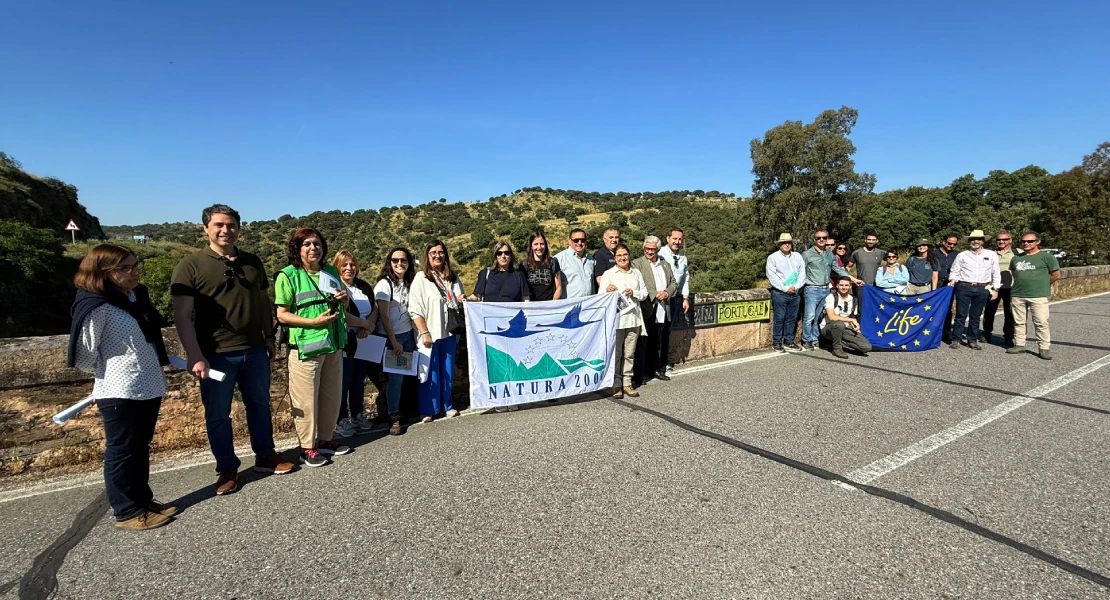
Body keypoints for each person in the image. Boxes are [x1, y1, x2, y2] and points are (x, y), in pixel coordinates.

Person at [171, 204, 293, 496]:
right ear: (206, 228)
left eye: (231, 225)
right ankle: (226, 468)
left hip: (253, 350)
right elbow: (182, 315)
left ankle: (266, 455)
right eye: (219, 225)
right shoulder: (190, 266)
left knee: (260, 405)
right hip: (215, 355)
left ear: (239, 227)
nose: (226, 230)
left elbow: (263, 302)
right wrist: (194, 354)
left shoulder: (252, 262)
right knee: (217, 414)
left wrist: (268, 337)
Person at [68, 245, 173, 530]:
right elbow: (85, 355)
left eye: (134, 265)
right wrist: (115, 367)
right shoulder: (98, 306)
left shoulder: (134, 296)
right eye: (124, 268)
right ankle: (126, 511)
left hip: (147, 384)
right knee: (123, 450)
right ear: (103, 273)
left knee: (140, 447)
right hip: (118, 388)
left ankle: (142, 501)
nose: (133, 271)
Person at [275, 228, 360, 467]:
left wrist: (343, 300)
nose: (314, 248)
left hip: (333, 345)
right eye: (307, 245)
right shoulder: (288, 275)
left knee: (331, 397)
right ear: (297, 249)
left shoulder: (331, 271)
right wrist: (313, 322)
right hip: (306, 348)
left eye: (317, 244)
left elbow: (339, 305)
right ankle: (307, 447)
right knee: (305, 400)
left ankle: (326, 438)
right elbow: (282, 315)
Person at [409, 240, 467, 428]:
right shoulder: (421, 278)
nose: (437, 255)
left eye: (441, 252)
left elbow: (459, 299)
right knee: (429, 372)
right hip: (430, 332)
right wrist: (424, 331)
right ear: (427, 255)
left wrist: (461, 299)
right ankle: (428, 409)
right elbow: (415, 308)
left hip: (449, 332)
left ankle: (447, 405)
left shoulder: (452, 277)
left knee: (448, 370)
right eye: (433, 252)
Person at [333, 251, 379, 438]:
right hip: (345, 341)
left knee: (359, 380)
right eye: (344, 265)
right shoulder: (335, 289)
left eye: (352, 265)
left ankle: (358, 415)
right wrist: (363, 324)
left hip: (364, 340)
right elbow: (340, 314)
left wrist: (369, 327)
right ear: (337, 266)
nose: (349, 268)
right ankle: (341, 419)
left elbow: (374, 308)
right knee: (343, 381)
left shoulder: (363, 286)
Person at [375, 247, 419, 426]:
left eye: (403, 260)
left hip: (408, 334)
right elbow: (384, 315)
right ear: (389, 263)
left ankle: (407, 410)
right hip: (392, 337)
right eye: (395, 260)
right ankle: (394, 415)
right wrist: (393, 341)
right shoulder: (384, 285)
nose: (399, 263)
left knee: (409, 375)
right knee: (395, 378)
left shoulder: (410, 282)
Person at [599, 243, 647, 399]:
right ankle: (616, 385)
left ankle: (627, 383)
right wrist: (608, 291)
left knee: (629, 354)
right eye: (619, 255)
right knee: (616, 354)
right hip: (616, 321)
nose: (622, 258)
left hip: (633, 320)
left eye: (625, 255)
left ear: (629, 256)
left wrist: (635, 292)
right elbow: (600, 297)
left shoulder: (636, 273)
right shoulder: (609, 274)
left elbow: (645, 293)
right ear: (615, 258)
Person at [1006, 232, 1061, 360]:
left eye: (1030, 241)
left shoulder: (1046, 257)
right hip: (1018, 294)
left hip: (1038, 295)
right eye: (1024, 241)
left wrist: (1042, 285)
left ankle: (1044, 348)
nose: (1026, 243)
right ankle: (1019, 344)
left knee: (1041, 322)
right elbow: (1014, 273)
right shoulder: (1016, 258)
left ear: (1037, 242)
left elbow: (1056, 274)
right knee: (1019, 321)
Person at [631, 235, 677, 386]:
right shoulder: (637, 264)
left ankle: (656, 368)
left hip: (664, 307)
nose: (650, 252)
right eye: (647, 249)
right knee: (643, 341)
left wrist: (667, 293)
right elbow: (639, 283)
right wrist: (656, 294)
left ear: (658, 249)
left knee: (659, 339)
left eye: (653, 249)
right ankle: (640, 372)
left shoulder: (665, 264)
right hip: (648, 307)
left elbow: (673, 282)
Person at [801, 230, 858, 351]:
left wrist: (852, 279)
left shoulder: (829, 254)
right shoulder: (807, 254)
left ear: (827, 239)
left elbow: (838, 269)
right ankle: (806, 339)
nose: (821, 240)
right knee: (809, 316)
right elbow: (800, 271)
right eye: (818, 238)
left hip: (825, 289)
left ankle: (815, 339)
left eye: (824, 238)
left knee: (819, 316)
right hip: (812, 288)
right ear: (814, 239)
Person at [947, 229, 1001, 350]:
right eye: (973, 239)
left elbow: (996, 272)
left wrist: (996, 289)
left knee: (975, 315)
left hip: (982, 288)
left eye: (978, 239)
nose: (976, 241)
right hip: (964, 287)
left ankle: (972, 340)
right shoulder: (962, 255)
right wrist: (952, 280)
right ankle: (956, 339)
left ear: (983, 241)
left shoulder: (991, 255)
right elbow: (955, 271)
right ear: (969, 241)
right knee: (961, 314)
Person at [765, 233, 806, 352]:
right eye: (784, 243)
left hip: (795, 292)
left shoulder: (798, 256)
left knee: (792, 318)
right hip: (780, 293)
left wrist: (796, 286)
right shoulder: (772, 258)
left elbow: (802, 273)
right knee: (780, 318)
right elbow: (771, 276)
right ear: (779, 244)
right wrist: (785, 288)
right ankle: (777, 342)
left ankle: (789, 341)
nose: (787, 245)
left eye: (789, 242)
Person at [657, 228, 690, 372]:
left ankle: (665, 361)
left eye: (680, 239)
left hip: (674, 298)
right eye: (675, 239)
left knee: (667, 332)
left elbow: (685, 279)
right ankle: (654, 363)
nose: (677, 242)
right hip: (660, 297)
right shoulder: (660, 254)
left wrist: (685, 297)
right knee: (657, 331)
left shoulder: (682, 257)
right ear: (668, 238)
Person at [820, 276, 872, 359]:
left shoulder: (853, 299)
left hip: (845, 328)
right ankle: (837, 348)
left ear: (850, 287)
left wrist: (856, 328)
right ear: (837, 286)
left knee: (866, 347)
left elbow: (851, 315)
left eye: (846, 285)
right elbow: (832, 317)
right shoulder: (831, 297)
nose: (844, 287)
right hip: (829, 328)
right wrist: (851, 320)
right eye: (841, 285)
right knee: (838, 324)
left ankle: (835, 342)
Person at [982, 231, 1017, 346]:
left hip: (1011, 287)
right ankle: (986, 334)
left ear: (1010, 240)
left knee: (1010, 313)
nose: (1001, 242)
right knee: (989, 311)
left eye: (1004, 239)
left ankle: (1008, 337)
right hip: (993, 287)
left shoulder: (1018, 253)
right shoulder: (991, 254)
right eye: (999, 240)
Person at [519, 230, 563, 301]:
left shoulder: (553, 262)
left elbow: (559, 287)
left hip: (550, 306)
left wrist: (553, 303)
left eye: (542, 244)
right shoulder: (524, 265)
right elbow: (522, 289)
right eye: (536, 244)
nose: (539, 247)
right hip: (531, 307)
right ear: (531, 246)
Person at [932, 234, 960, 343]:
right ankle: (933, 330)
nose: (951, 246)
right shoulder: (934, 253)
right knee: (934, 307)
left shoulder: (957, 254)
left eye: (954, 244)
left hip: (950, 284)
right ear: (943, 242)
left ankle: (946, 331)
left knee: (948, 308)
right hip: (936, 283)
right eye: (949, 243)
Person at [553, 228, 595, 299]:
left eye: (582, 240)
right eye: (576, 240)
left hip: (588, 305)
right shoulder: (559, 259)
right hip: (569, 306)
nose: (579, 243)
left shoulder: (590, 260)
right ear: (569, 241)